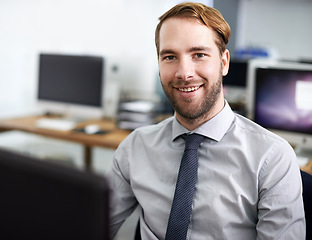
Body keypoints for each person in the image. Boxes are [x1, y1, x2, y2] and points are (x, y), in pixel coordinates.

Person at [107, 2, 305, 239]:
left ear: (224, 62)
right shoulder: (134, 147)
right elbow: (92, 226)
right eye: (170, 57)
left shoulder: (272, 158)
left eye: (199, 54)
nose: (184, 73)